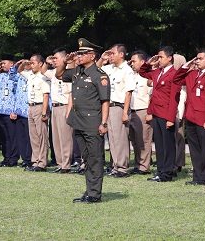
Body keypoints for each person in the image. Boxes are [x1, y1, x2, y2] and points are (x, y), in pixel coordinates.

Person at [56, 38, 110, 203]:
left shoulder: (99, 75)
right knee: (86, 159)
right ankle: (89, 191)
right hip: (78, 121)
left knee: (95, 158)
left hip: (93, 123)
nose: (78, 56)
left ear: (92, 56)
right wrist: (65, 62)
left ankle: (94, 194)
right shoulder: (77, 71)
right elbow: (59, 74)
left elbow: (105, 101)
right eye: (78, 53)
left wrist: (104, 123)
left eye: (82, 54)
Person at [173, 48, 205, 185]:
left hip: (204, 119)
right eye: (196, 58)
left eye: (200, 58)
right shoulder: (193, 74)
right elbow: (176, 79)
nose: (197, 61)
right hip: (191, 117)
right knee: (194, 149)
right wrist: (187, 65)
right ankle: (197, 176)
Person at [138, 46, 181, 182]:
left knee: (168, 145)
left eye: (161, 57)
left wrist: (170, 118)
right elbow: (143, 72)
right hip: (156, 113)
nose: (159, 59)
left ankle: (168, 172)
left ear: (170, 58)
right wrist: (150, 62)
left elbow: (174, 98)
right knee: (160, 145)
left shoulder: (174, 73)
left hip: (166, 113)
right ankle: (161, 170)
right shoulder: (157, 72)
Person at [97, 44, 135, 177]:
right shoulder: (110, 68)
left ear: (121, 54)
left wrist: (125, 112)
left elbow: (128, 93)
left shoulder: (127, 70)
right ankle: (115, 166)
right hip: (109, 106)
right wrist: (102, 58)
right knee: (112, 138)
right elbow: (96, 69)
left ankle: (122, 167)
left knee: (120, 138)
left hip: (119, 106)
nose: (110, 56)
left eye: (113, 53)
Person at [42, 48, 74, 174]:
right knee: (56, 138)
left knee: (65, 138)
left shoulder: (70, 73)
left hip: (65, 106)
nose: (54, 60)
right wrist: (47, 61)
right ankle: (60, 163)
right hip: (55, 107)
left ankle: (66, 164)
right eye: (53, 58)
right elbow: (43, 70)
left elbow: (72, 94)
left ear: (63, 58)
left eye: (56, 58)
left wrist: (69, 111)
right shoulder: (54, 72)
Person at [18, 54, 51, 172]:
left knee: (42, 135)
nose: (31, 65)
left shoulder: (43, 76)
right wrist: (24, 63)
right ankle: (35, 160)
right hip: (30, 106)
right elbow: (20, 70)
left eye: (33, 62)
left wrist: (44, 112)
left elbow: (46, 95)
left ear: (40, 64)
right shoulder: (30, 75)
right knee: (33, 136)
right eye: (30, 62)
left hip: (40, 106)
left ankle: (42, 162)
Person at [0, 54, 20, 167]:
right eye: (1, 63)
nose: (2, 65)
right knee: (4, 137)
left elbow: (18, 95)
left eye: (4, 63)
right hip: (0, 111)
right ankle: (6, 158)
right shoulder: (1, 76)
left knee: (12, 137)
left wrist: (15, 111)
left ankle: (13, 158)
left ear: (12, 64)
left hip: (10, 112)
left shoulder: (17, 76)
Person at [128, 50, 153, 175]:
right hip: (131, 110)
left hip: (143, 110)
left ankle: (144, 166)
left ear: (142, 62)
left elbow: (152, 96)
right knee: (134, 140)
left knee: (144, 140)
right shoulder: (131, 75)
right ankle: (138, 163)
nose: (132, 63)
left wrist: (150, 112)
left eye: (134, 61)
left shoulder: (148, 76)